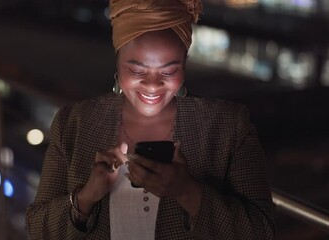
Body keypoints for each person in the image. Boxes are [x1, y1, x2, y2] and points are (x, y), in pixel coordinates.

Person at [26, 0, 276, 239]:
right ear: (117, 61)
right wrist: (87, 196)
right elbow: (38, 231)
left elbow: (262, 232)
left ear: (185, 65)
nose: (153, 85)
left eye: (169, 71)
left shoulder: (228, 126)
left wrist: (187, 192)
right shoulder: (74, 123)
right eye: (136, 70)